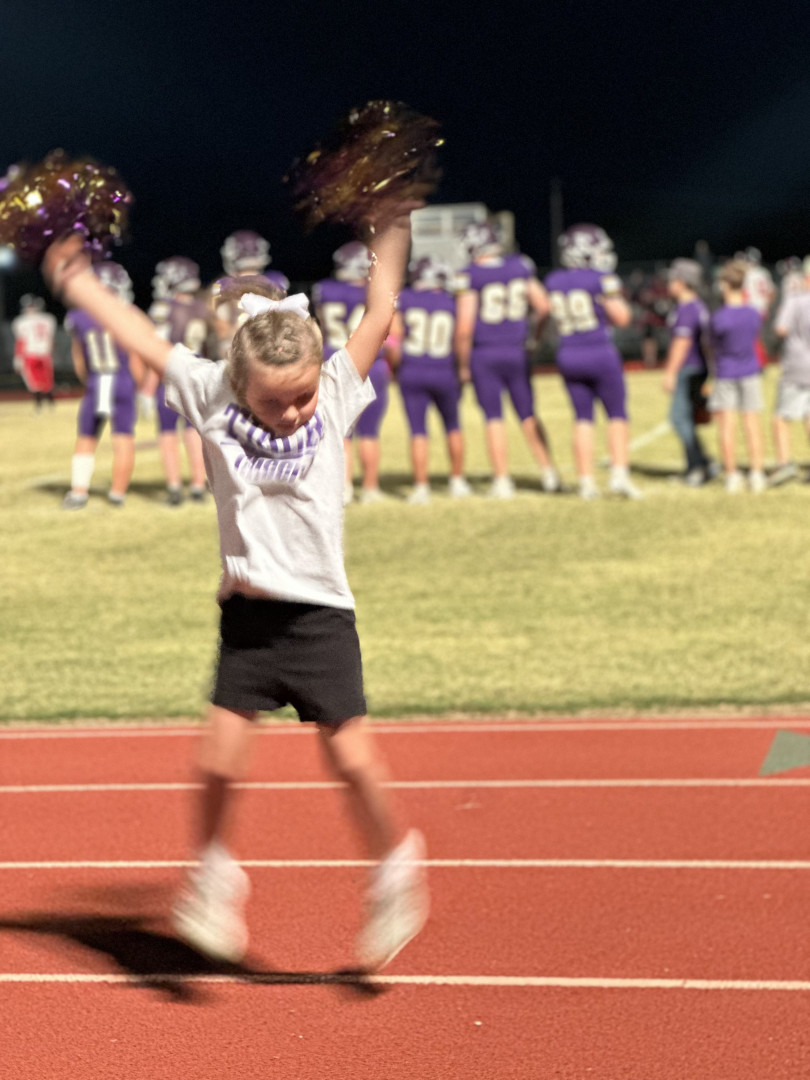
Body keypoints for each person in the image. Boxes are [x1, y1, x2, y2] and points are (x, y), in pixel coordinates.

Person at [43, 202, 429, 972]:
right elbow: (139, 335)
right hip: (248, 621)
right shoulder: (209, 393)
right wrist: (79, 283)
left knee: (351, 758)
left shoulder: (336, 388)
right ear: (238, 384)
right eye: (273, 400)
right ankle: (214, 875)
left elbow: (380, 311)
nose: (291, 413)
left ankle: (395, 864)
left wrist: (391, 228)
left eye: (301, 398)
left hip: (320, 616)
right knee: (218, 760)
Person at [454, 222, 560, 499]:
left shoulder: (469, 275)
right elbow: (544, 306)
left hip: (485, 353)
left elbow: (464, 327)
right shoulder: (519, 266)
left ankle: (502, 481)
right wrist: (534, 338)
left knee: (494, 417)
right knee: (528, 413)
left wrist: (462, 365)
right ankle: (549, 472)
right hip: (516, 351)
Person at [540, 224, 641, 500]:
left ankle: (586, 482)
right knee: (617, 415)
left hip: (568, 353)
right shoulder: (601, 279)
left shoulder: (554, 280)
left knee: (582, 418)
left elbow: (548, 314)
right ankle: (619, 475)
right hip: (598, 350)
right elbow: (622, 317)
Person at [312, 242, 391, 505]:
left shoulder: (325, 289)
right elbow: (392, 332)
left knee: (339, 433)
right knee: (369, 431)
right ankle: (370, 488)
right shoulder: (376, 292)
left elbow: (321, 325)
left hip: (335, 363)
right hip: (371, 365)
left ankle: (342, 489)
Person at [387, 255, 471, 503]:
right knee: (453, 426)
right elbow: (460, 336)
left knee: (418, 430)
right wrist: (462, 366)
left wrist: (396, 367)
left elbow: (394, 338)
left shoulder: (405, 299)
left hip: (412, 370)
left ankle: (421, 487)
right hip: (444, 369)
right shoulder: (450, 301)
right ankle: (457, 481)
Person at [62, 263, 143, 509]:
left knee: (86, 437)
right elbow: (136, 357)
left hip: (97, 381)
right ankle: (117, 494)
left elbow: (79, 360)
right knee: (123, 439)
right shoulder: (126, 312)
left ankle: (78, 492)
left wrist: (90, 381)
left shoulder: (79, 316)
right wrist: (138, 386)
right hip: (122, 381)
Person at [146, 256, 211, 505]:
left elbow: (157, 348)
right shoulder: (202, 307)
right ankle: (198, 485)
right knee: (194, 432)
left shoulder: (164, 308)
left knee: (167, 432)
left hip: (170, 376)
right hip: (196, 375)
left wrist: (147, 387)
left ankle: (174, 487)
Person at [708, 259, 766, 493]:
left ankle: (732, 475)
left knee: (727, 426)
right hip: (750, 371)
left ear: (725, 284)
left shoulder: (719, 317)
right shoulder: (752, 314)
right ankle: (757, 474)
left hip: (725, 373)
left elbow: (713, 346)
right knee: (752, 424)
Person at [662, 258, 716, 486]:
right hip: (698, 368)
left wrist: (670, 372)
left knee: (679, 418)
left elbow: (682, 343)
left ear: (682, 282)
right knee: (688, 419)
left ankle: (696, 467)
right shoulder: (695, 306)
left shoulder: (688, 308)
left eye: (672, 279)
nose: (669, 284)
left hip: (689, 368)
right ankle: (705, 462)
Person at [213, 230, 290, 360]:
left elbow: (222, 331)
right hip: (271, 352)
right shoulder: (275, 281)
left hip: (238, 354)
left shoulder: (222, 286)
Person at [769, 256, 810, 485]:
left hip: (797, 364)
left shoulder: (796, 299)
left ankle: (784, 464)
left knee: (781, 417)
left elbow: (781, 328)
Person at [11, 294, 57, 409]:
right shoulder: (49, 319)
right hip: (44, 353)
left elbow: (21, 341)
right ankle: (50, 403)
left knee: (35, 381)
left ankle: (40, 404)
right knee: (46, 380)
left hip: (30, 353)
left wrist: (17, 358)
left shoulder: (21, 322)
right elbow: (52, 340)